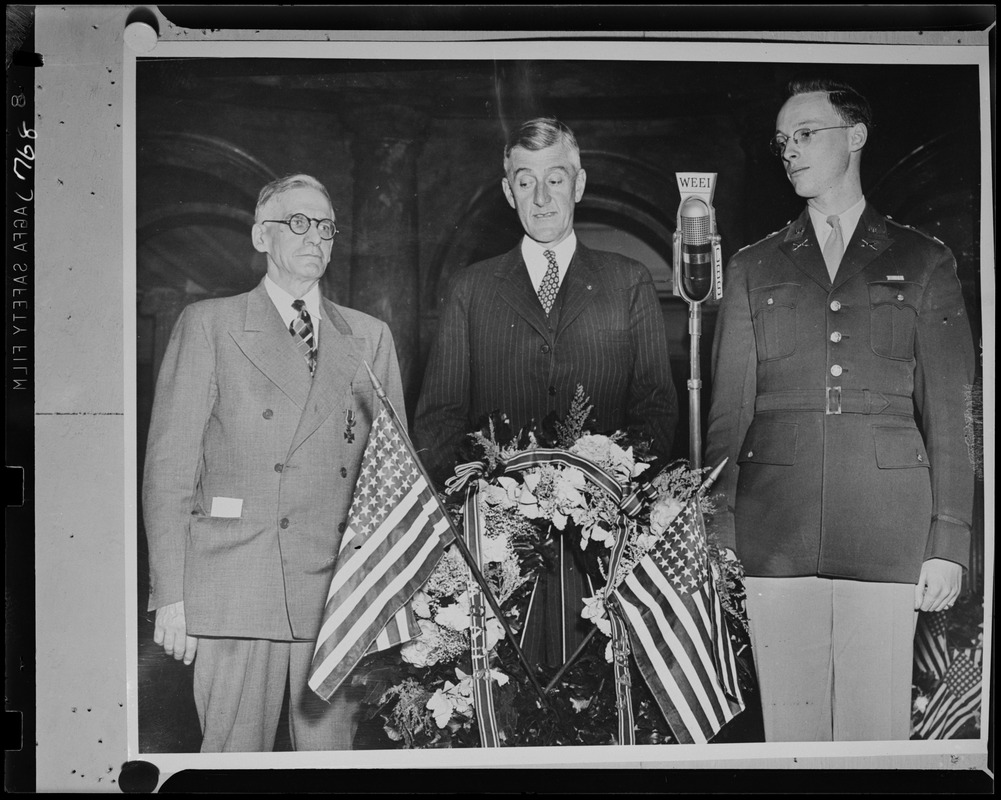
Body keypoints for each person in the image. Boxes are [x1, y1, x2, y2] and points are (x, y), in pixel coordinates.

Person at [704, 79, 975, 741]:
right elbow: (727, 414)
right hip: (776, 531)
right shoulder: (752, 267)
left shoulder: (923, 260)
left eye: (804, 133)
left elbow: (949, 414)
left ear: (853, 136)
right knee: (789, 740)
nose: (788, 151)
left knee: (871, 733)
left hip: (886, 528)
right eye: (781, 141)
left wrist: (948, 543)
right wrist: (718, 532)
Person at [143, 173, 405, 752]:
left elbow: (392, 482)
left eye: (326, 227)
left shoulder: (368, 337)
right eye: (299, 223)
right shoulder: (209, 325)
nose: (316, 238)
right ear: (261, 237)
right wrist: (172, 595)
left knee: (331, 769)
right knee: (231, 768)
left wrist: (384, 601)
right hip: (235, 583)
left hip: (335, 596)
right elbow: (170, 471)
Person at [414, 118, 679, 668]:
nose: (541, 197)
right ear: (509, 191)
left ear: (578, 185)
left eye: (555, 179)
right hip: (495, 543)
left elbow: (656, 408)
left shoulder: (628, 282)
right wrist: (450, 522)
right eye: (525, 181)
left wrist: (608, 489)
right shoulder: (470, 289)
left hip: (605, 545)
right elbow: (439, 419)